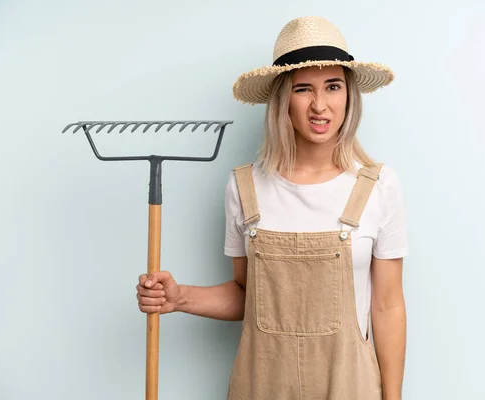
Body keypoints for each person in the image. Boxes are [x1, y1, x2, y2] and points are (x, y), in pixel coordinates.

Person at [136, 16, 408, 400]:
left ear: (349, 94)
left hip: (350, 386)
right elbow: (250, 296)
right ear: (284, 99)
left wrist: (392, 398)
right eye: (303, 89)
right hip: (261, 385)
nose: (320, 105)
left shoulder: (378, 186)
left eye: (333, 86)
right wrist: (178, 297)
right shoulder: (246, 187)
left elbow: (387, 305)